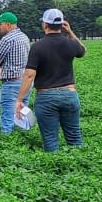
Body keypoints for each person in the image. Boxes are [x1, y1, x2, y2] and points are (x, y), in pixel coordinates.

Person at [16, 9, 86, 152]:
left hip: (46, 97)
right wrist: (70, 32)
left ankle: (56, 169)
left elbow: (29, 75)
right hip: (69, 95)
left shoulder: (37, 47)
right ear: (62, 25)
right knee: (74, 137)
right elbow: (83, 51)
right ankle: (80, 167)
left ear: (45, 25)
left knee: (50, 139)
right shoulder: (70, 44)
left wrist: (20, 99)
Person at [0, 12, 30, 134]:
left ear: (8, 25)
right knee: (21, 113)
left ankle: (6, 140)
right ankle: (21, 139)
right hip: (25, 81)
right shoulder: (24, 37)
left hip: (11, 83)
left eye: (0, 24)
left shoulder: (7, 39)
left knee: (8, 114)